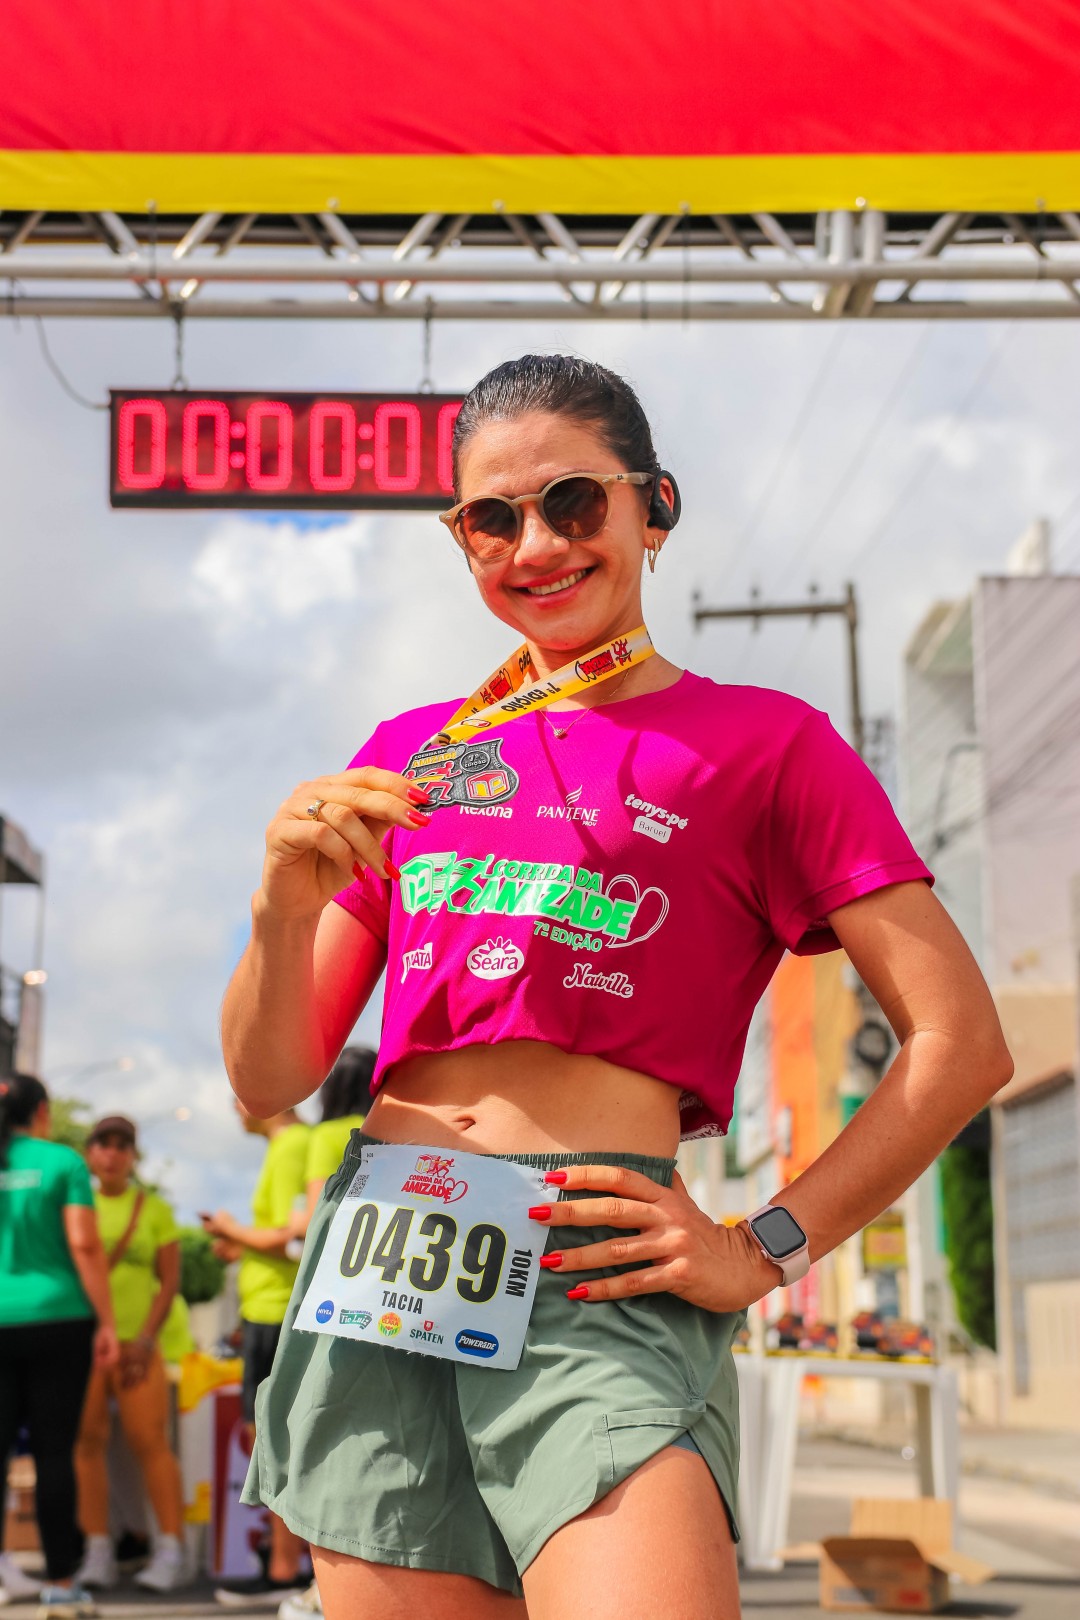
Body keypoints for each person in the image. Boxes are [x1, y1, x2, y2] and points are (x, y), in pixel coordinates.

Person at [220, 354, 1013, 1620]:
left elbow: (960, 1042)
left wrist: (765, 1247)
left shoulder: (770, 745)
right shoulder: (409, 759)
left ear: (656, 505)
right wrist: (280, 903)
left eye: (574, 501)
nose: (536, 544)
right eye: (492, 518)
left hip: (596, 1262)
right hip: (384, 1259)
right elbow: (267, 1081)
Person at [0, 1073, 119, 1616]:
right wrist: (107, 1322)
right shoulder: (62, 1163)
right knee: (54, 1453)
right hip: (59, 1319)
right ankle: (62, 1585)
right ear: (43, 1112)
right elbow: (84, 1243)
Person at [201, 1100, 309, 1607]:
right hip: (270, 1308)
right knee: (271, 1435)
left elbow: (294, 1237)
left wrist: (232, 1229)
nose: (234, 1107)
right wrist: (242, 1244)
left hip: (276, 1310)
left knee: (272, 1437)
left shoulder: (291, 1146)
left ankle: (286, 1567)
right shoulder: (287, 1146)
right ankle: (287, 1563)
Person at [73, 1115, 187, 1593]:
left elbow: (170, 1281)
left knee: (150, 1442)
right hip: (85, 1343)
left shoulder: (154, 1209)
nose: (113, 1153)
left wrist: (144, 1340)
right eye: (103, 1143)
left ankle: (171, 1550)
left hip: (138, 1345)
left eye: (123, 1145)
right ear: (90, 1152)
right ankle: (97, 1549)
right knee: (86, 1445)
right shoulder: (76, 1204)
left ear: (133, 1156)